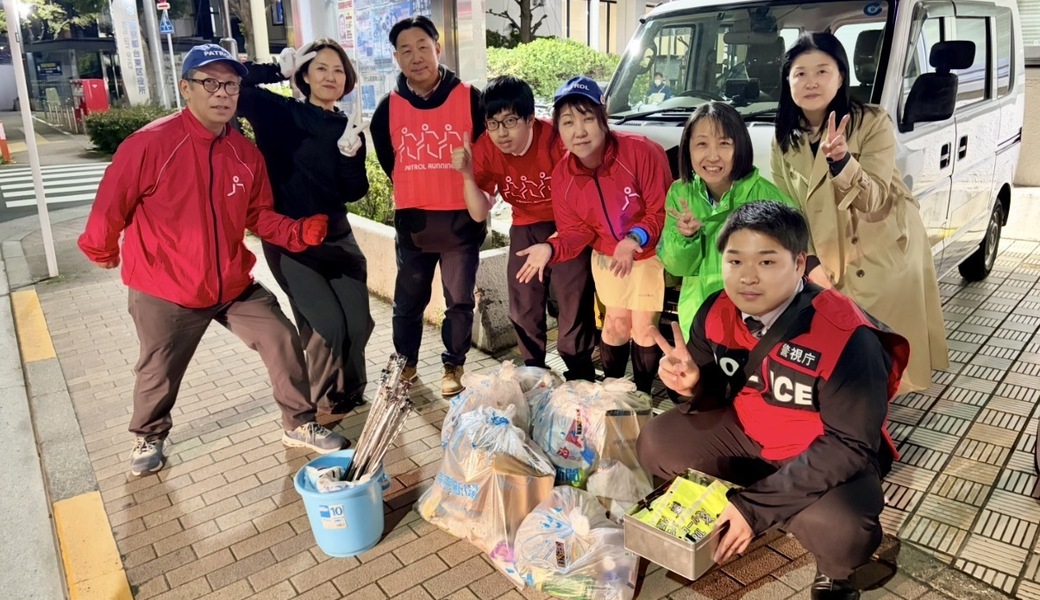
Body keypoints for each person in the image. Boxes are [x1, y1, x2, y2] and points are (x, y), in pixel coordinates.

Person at [78, 44, 348, 477]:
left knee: (280, 336)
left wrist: (296, 232)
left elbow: (258, 215)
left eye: (231, 85)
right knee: (159, 367)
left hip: (229, 283)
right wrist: (101, 247)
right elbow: (112, 204)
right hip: (166, 287)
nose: (222, 93)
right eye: (210, 83)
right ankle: (149, 434)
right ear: (186, 88)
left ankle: (299, 423)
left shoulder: (245, 153)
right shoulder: (149, 144)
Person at [637, 201, 910, 600]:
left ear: (799, 264)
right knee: (657, 441)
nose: (747, 277)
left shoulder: (846, 335)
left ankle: (834, 574)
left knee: (844, 529)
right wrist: (693, 384)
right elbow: (717, 392)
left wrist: (754, 509)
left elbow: (850, 444)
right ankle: (767, 497)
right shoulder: (716, 310)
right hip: (749, 434)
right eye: (735, 261)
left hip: (820, 453)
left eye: (767, 262)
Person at [770, 32, 948, 393]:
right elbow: (791, 210)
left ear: (841, 77)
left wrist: (841, 161)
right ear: (787, 81)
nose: (811, 82)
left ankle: (873, 421)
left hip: (878, 247)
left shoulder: (871, 121)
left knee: (880, 349)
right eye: (800, 73)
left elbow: (875, 198)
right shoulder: (785, 137)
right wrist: (812, 260)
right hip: (826, 253)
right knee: (840, 345)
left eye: (822, 71)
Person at [236, 38, 374, 415]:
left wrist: (350, 155)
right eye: (321, 68)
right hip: (290, 241)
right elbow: (237, 87)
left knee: (358, 324)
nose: (331, 76)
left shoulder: (348, 126)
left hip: (338, 238)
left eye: (339, 70)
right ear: (304, 75)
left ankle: (352, 389)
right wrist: (272, 71)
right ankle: (325, 398)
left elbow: (354, 191)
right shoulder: (279, 112)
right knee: (326, 326)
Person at [515, 76, 672, 394]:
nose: (579, 131)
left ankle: (641, 395)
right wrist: (550, 247)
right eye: (568, 122)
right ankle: (614, 394)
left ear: (603, 116)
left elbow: (660, 210)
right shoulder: (563, 175)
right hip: (607, 255)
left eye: (587, 118)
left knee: (643, 328)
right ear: (558, 128)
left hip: (648, 253)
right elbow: (576, 231)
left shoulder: (642, 152)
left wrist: (634, 239)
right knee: (615, 323)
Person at [370, 15, 487, 397]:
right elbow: (391, 163)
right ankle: (406, 364)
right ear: (397, 58)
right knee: (407, 303)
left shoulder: (471, 98)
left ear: (438, 48)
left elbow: (487, 157)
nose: (416, 56)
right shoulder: (388, 109)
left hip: (461, 226)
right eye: (406, 50)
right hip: (414, 228)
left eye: (423, 46)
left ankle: (454, 365)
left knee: (459, 302)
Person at [451, 75, 597, 381]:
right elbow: (479, 213)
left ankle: (580, 372)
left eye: (511, 121)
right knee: (523, 304)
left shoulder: (557, 141)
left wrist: (555, 244)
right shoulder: (486, 150)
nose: (501, 133)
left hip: (568, 223)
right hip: (526, 224)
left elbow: (585, 204)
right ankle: (534, 372)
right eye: (493, 123)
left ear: (530, 119)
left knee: (573, 297)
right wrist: (466, 175)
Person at [657, 101, 796, 342]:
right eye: (701, 144)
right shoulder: (681, 193)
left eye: (724, 143)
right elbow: (676, 268)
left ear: (740, 146)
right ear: (688, 149)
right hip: (699, 321)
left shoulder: (766, 197)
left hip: (754, 325)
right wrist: (685, 237)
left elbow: (788, 271)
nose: (712, 156)